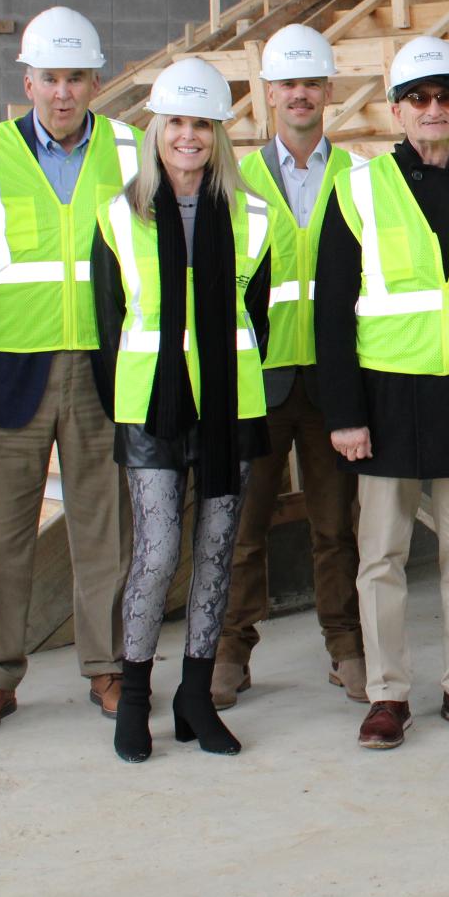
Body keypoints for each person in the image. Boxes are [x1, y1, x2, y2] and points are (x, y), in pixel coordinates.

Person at [317, 38, 449, 750]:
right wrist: (344, 413)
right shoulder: (357, 188)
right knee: (380, 556)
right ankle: (387, 695)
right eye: (418, 98)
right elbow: (331, 310)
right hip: (385, 400)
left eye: (446, 96)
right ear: (396, 111)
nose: (433, 109)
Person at [0, 7, 138, 737]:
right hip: (8, 372)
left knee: (105, 525)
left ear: (97, 80)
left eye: (77, 77)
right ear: (27, 81)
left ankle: (108, 665)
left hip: (105, 365)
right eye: (50, 78)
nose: (63, 91)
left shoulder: (130, 151)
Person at [91, 56, 273, 763]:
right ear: (156, 129)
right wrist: (131, 396)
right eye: (177, 123)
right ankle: (134, 697)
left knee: (216, 553)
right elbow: (109, 323)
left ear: (219, 134)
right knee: (160, 549)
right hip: (150, 406)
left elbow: (252, 313)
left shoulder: (251, 214)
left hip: (231, 403)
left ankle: (195, 695)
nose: (189, 136)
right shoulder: (119, 212)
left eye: (202, 124)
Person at [213, 25, 366, 709]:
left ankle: (346, 645)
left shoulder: (362, 176)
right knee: (243, 526)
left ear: (328, 91)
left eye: (311, 83)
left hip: (335, 380)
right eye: (288, 84)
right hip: (259, 377)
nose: (300, 94)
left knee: (335, 526)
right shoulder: (234, 178)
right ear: (267, 94)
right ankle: (230, 649)